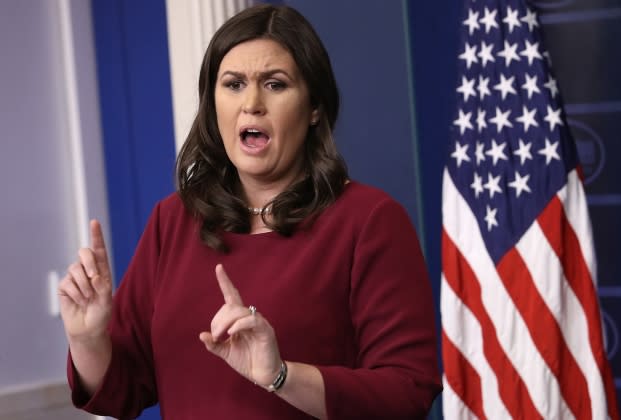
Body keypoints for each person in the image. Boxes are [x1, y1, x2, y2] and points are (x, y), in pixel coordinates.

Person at [59, 4, 442, 419]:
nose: (252, 103)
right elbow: (121, 392)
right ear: (213, 104)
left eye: (275, 85)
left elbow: (408, 393)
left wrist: (280, 375)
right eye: (234, 84)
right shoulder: (172, 221)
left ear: (314, 107)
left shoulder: (369, 220)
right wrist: (88, 340)